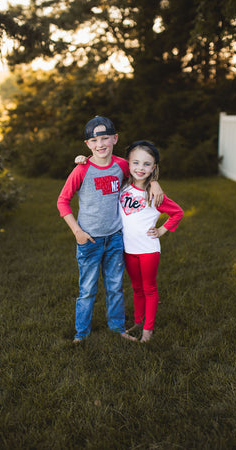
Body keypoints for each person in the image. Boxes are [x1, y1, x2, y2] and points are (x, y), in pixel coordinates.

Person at [57, 117, 163, 343]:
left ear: (115, 139)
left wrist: (154, 182)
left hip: (115, 238)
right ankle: (81, 334)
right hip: (89, 240)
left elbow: (140, 172)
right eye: (94, 140)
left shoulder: (122, 165)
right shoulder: (82, 170)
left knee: (115, 287)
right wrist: (77, 231)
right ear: (87, 144)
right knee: (87, 290)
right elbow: (62, 201)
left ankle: (117, 328)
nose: (100, 144)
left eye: (105, 138)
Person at [119, 140, 184, 342]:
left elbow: (178, 212)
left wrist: (162, 230)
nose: (140, 168)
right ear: (128, 164)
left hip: (148, 249)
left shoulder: (155, 194)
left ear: (153, 167)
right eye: (135, 163)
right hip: (128, 248)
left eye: (146, 164)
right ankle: (138, 321)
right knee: (136, 288)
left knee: (149, 289)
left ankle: (148, 330)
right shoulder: (123, 186)